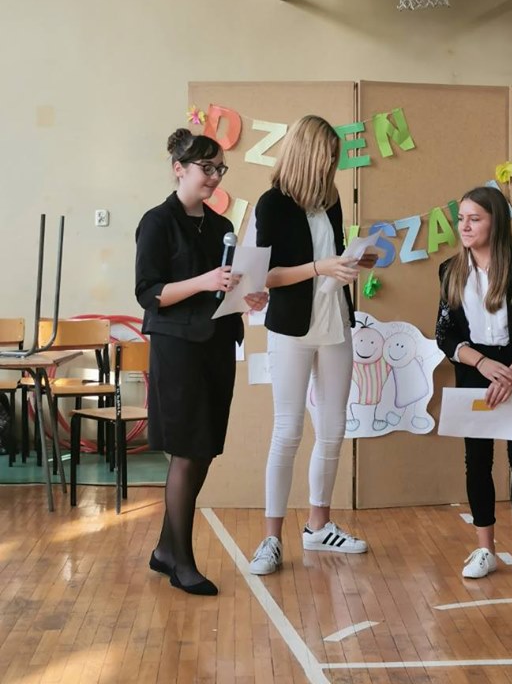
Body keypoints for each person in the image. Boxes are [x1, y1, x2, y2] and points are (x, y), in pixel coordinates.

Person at [135, 127, 267, 596]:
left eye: (219, 169)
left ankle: (165, 550)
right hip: (177, 348)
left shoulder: (219, 225)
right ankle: (182, 561)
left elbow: (223, 287)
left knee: (204, 449)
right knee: (187, 450)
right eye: (206, 167)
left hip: (216, 343)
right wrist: (205, 280)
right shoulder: (157, 222)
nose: (214, 176)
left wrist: (248, 296)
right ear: (179, 169)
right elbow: (149, 293)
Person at [249, 115, 376, 576]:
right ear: (306, 153)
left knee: (334, 428)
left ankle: (319, 526)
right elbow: (266, 275)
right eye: (327, 156)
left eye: (335, 158)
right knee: (287, 431)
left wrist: (352, 261)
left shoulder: (331, 200)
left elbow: (331, 255)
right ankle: (271, 538)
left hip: (334, 321)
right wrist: (321, 267)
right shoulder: (272, 204)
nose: (331, 165)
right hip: (291, 328)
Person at [435, 185, 512, 583]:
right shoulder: (450, 270)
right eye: (461, 219)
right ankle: (485, 549)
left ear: (496, 222)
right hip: (476, 372)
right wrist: (483, 364)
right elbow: (445, 334)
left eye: (475, 219)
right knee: (477, 459)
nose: (464, 227)